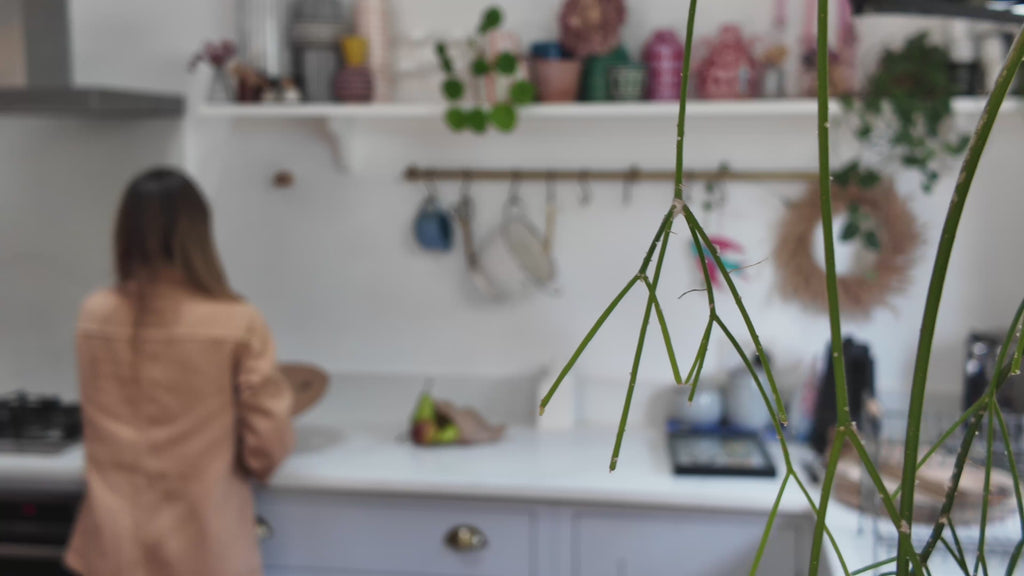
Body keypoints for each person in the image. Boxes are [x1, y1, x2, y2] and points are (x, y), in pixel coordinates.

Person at [65, 168, 295, 576]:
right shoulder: (238, 321)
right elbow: (267, 448)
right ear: (198, 233)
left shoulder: (93, 313)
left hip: (109, 551)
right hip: (204, 550)